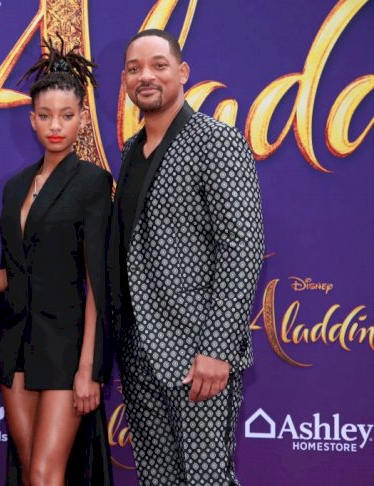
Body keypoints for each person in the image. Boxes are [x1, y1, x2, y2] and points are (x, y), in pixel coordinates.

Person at [109, 29, 264, 485]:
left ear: (182, 72)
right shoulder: (131, 151)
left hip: (198, 353)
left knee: (205, 479)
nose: (146, 76)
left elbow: (242, 247)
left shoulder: (215, 141)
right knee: (158, 478)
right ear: (124, 81)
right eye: (135, 69)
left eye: (158, 65)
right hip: (139, 351)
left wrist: (217, 349)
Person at [0, 38, 114, 486]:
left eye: (66, 115)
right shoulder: (13, 186)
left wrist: (89, 369)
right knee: (28, 472)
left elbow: (97, 280)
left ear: (82, 118)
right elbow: (12, 274)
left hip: (65, 349)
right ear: (31, 120)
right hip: (12, 343)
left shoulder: (93, 183)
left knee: (45, 474)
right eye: (45, 116)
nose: (55, 126)